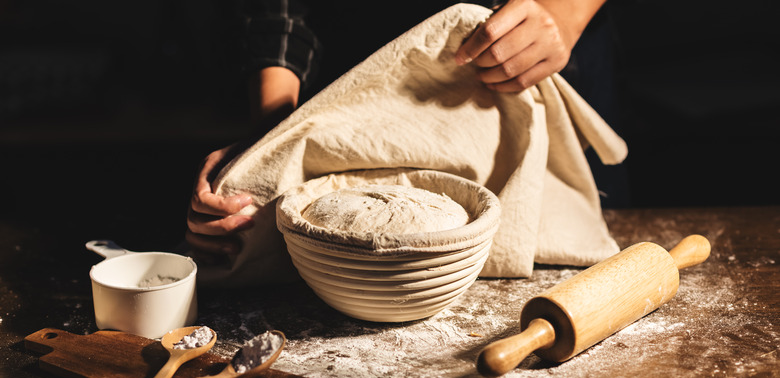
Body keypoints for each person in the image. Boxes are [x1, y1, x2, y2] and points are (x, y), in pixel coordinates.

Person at [186, 0, 610, 264]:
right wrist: (272, 143)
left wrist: (565, 12)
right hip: (356, 86)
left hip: (533, 61)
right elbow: (279, 11)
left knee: (567, 241)